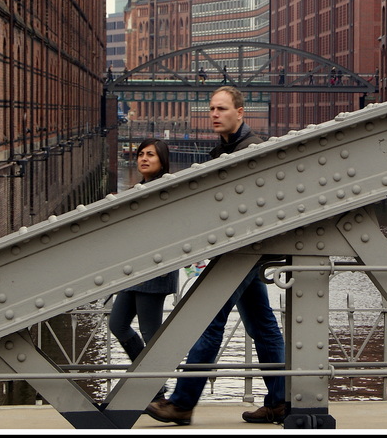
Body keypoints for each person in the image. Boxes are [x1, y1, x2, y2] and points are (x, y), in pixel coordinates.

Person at [146, 86, 286, 426]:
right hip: (241, 252)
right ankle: (281, 401)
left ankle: (181, 403)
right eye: (211, 108)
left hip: (241, 252)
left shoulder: (249, 150)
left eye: (221, 108)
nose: (214, 114)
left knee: (209, 320)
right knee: (263, 325)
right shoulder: (226, 150)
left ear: (241, 113)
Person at [109, 138, 178, 401]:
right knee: (118, 324)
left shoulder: (166, 188)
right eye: (141, 154)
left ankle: (155, 390)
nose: (144, 158)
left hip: (155, 269)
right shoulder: (140, 187)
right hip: (135, 270)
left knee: (151, 333)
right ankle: (150, 383)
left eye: (151, 154)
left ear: (162, 161)